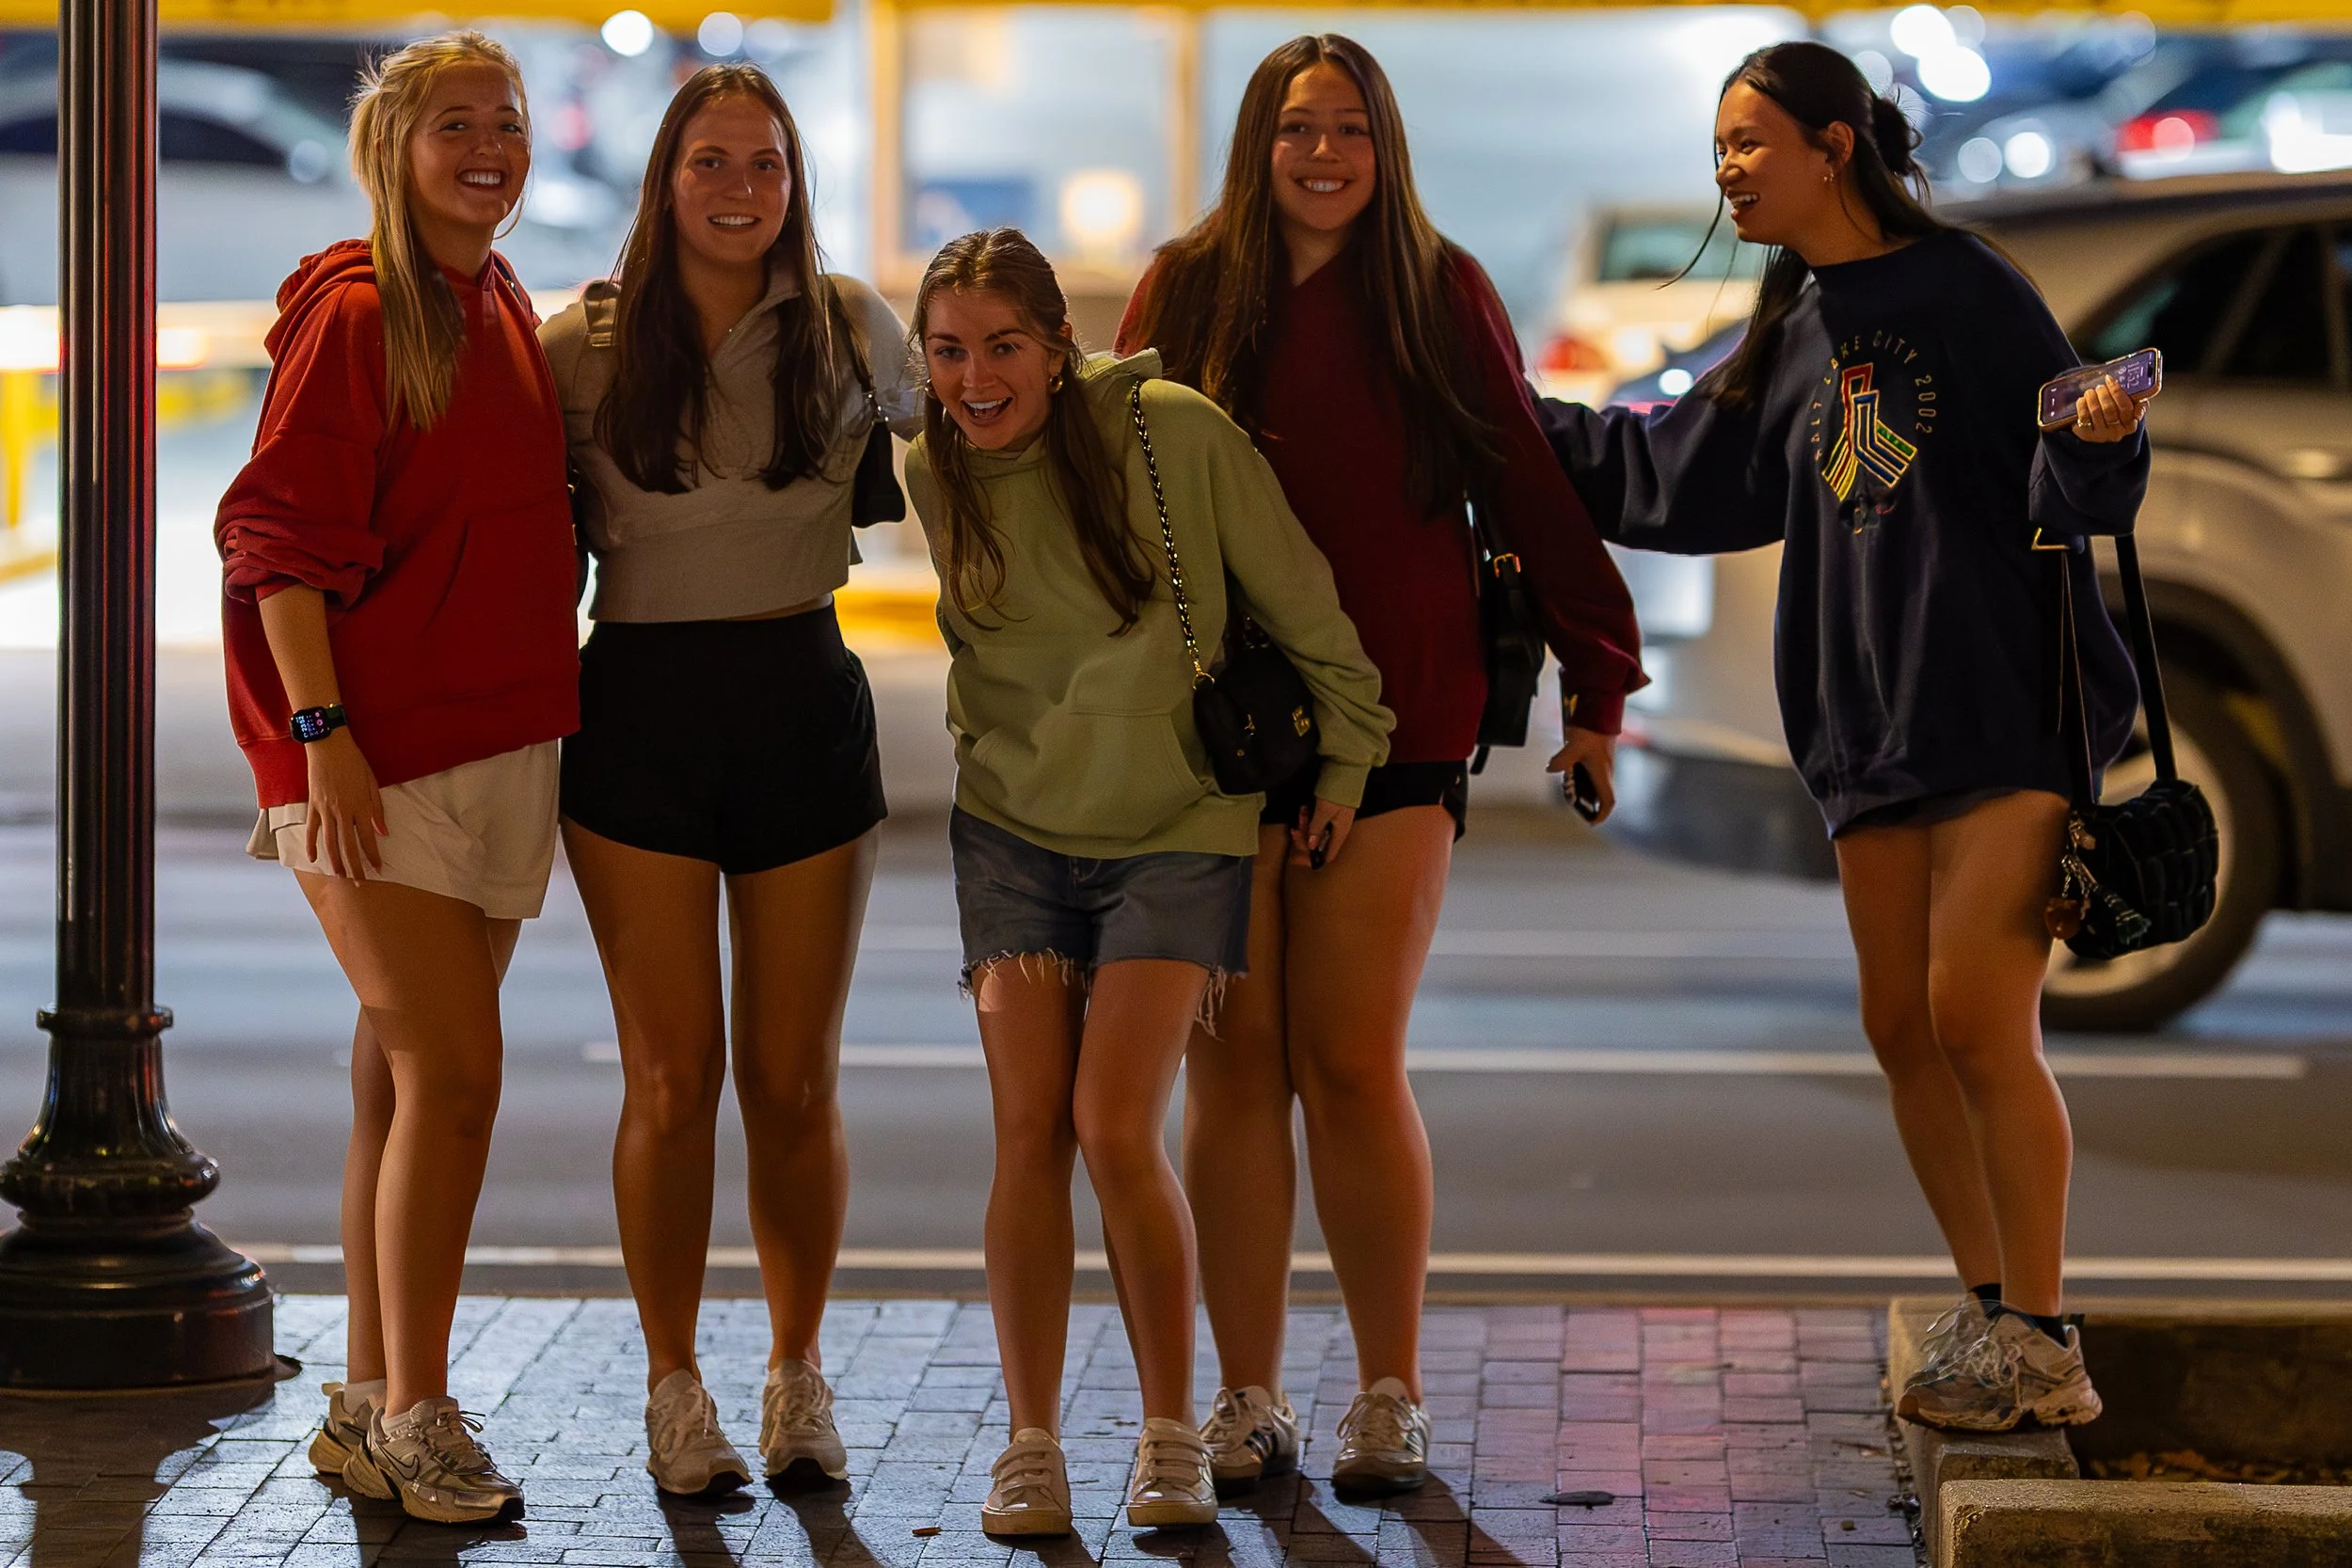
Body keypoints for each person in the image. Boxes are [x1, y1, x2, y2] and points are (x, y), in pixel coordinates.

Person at [1535, 40, 2152, 1433]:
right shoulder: (1803, 320)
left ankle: (2047, 1344)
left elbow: (2075, 479)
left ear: (1833, 147)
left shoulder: (1969, 288)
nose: (1727, 169)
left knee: (1974, 1017)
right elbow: (1679, 474)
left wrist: (2107, 437)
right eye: (1719, 147)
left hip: (2001, 707)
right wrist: (1504, 425)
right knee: (1898, 1027)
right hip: (1864, 728)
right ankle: (1994, 1308)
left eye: (1750, 142)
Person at [1115, 33, 1643, 1493]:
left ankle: (1388, 1394)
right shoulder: (1187, 287)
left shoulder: (1435, 284)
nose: (1325, 153)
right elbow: (1115, 498)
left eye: (1349, 127)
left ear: (1383, 141)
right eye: (1299, 128)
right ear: (1258, 141)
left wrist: (1601, 676)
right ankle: (1246, 1397)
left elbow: (1524, 478)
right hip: (1209, 737)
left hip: (1400, 723)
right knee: (1230, 1078)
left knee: (1350, 1061)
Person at [904, 228, 1392, 1535]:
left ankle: (1170, 1432)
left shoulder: (1171, 432)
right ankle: (1031, 1444)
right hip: (1011, 828)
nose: (975, 375)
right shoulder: (931, 462)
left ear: (1061, 347)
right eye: (947, 351)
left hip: (1179, 820)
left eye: (1004, 344)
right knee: (1027, 1131)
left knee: (1116, 1123)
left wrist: (1347, 763)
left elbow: (1306, 607)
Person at [537, 64, 918, 1497]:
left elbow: (996, 450)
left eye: (764, 162)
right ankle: (673, 1383)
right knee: (670, 1075)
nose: (740, 186)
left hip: (801, 700)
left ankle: (796, 1372)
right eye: (711, 160)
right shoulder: (578, 341)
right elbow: (479, 503)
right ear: (664, 176)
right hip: (633, 711)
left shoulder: (849, 323)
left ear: (792, 180)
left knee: (792, 1076)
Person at [214, 31, 579, 1525]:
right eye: (455, 127)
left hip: (499, 736)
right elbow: (273, 544)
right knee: (457, 1071)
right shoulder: (361, 313)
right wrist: (322, 737)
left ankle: (368, 1394)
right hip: (375, 759)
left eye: (505, 124)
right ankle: (423, 1412)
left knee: (396, 1069)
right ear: (393, 147)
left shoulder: (492, 298)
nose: (488, 149)